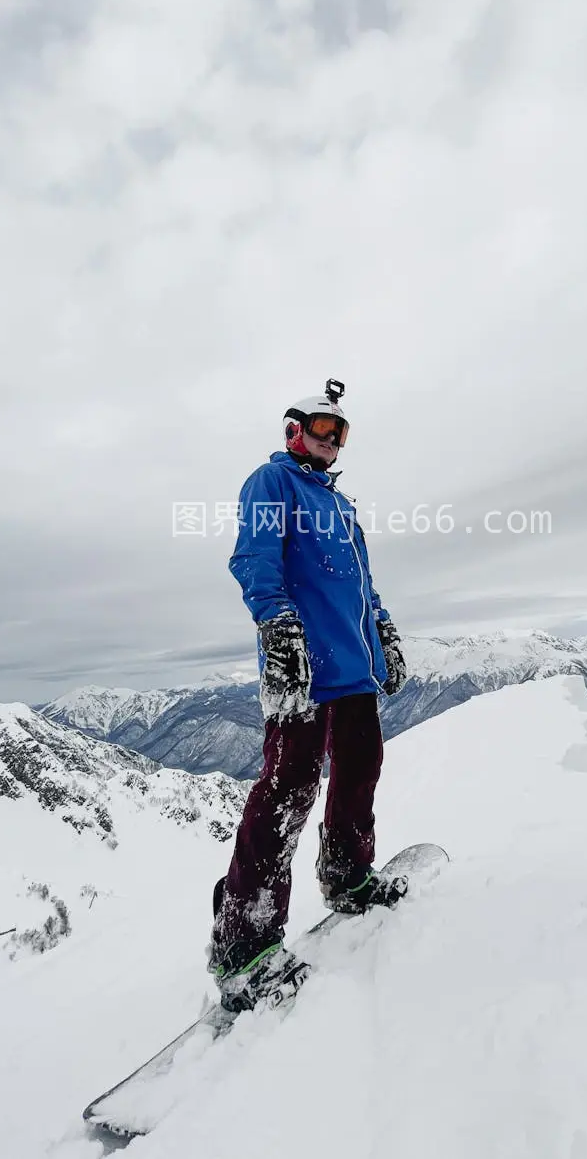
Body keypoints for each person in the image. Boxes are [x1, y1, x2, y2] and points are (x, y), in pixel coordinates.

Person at [207, 380, 408, 1010]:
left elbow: (360, 586)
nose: (331, 441)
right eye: (323, 428)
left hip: (351, 669)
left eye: (340, 432)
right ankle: (245, 944)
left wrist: (382, 628)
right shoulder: (271, 485)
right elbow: (253, 558)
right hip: (300, 666)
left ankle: (348, 876)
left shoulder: (341, 508)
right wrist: (276, 623)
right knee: (288, 789)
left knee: (360, 770)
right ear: (295, 429)